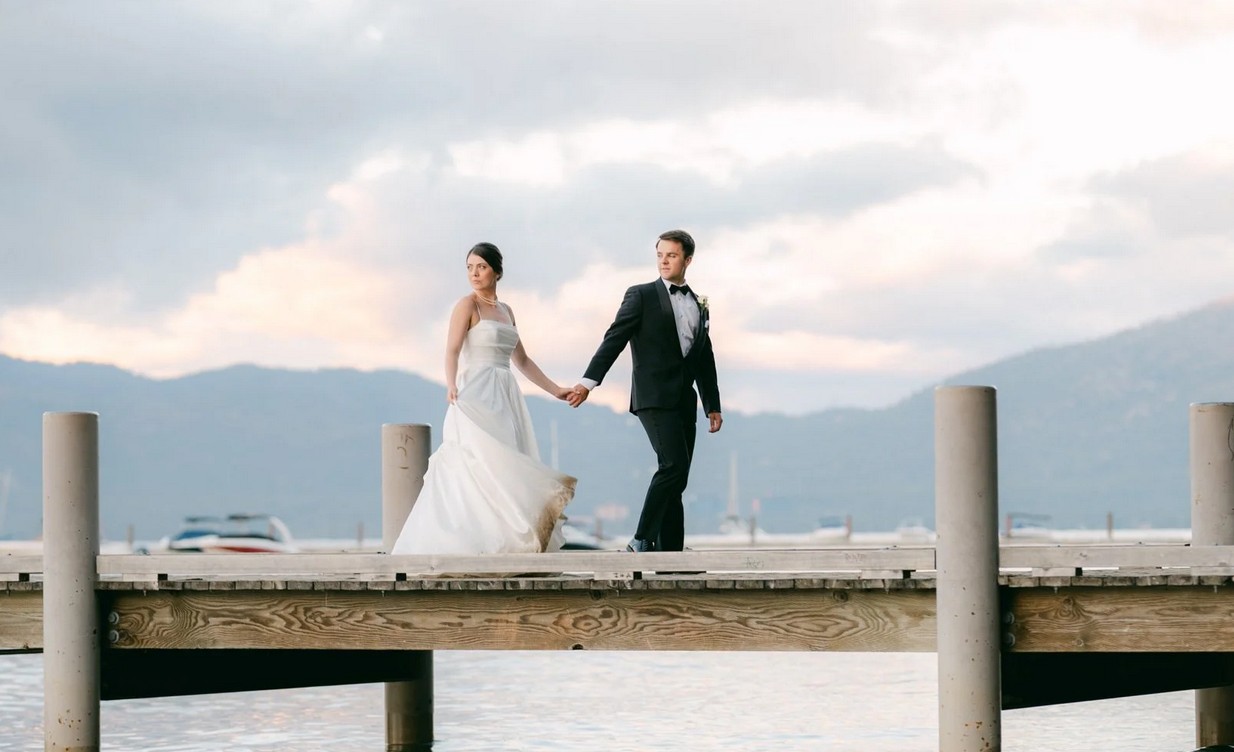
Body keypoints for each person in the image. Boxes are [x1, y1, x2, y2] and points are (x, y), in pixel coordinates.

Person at [390, 242, 577, 555]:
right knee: (478, 462)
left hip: (505, 394)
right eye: (469, 267)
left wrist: (555, 389)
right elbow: (451, 350)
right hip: (475, 391)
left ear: (497, 272)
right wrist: (451, 385)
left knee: (507, 465)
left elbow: (523, 361)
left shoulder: (507, 311)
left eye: (481, 267)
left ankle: (508, 543)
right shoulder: (467, 305)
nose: (474, 274)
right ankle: (468, 544)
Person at [568, 229, 722, 552]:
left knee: (677, 479)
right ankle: (642, 539)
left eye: (672, 255)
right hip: (653, 398)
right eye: (660, 255)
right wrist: (588, 383)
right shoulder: (640, 295)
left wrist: (712, 404)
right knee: (673, 466)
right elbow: (615, 338)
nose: (664, 261)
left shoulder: (697, 303)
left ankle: (672, 555)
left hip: (684, 401)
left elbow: (704, 357)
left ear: (687, 260)